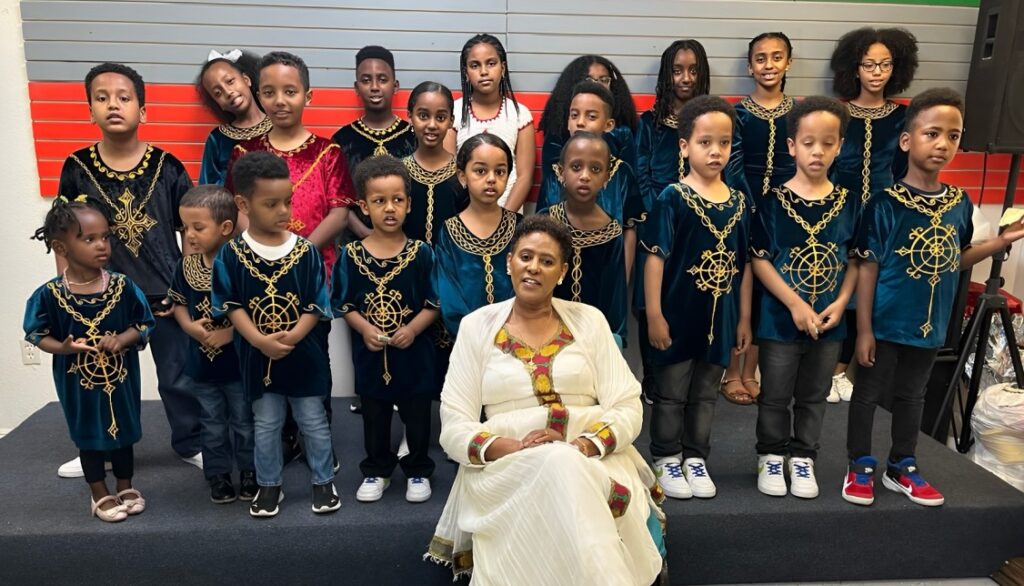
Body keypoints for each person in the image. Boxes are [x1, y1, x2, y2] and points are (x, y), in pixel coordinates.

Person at [426, 215, 664, 585]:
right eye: (525, 256)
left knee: (563, 463)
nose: (534, 267)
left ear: (563, 272)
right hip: (506, 466)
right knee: (558, 464)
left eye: (547, 261)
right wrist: (515, 447)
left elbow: (627, 405)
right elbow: (454, 425)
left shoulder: (590, 321)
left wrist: (580, 447)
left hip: (593, 458)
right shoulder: (476, 327)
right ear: (509, 262)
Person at [843, 88, 1024, 508]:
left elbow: (954, 259)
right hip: (885, 322)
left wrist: (1000, 242)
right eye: (932, 133)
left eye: (953, 136)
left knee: (913, 395)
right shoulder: (884, 204)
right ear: (907, 140)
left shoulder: (959, 203)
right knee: (868, 394)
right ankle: (859, 464)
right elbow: (867, 267)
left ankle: (902, 464)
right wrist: (864, 329)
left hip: (930, 325)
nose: (943, 143)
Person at [56, 62, 202, 477]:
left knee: (177, 376)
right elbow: (63, 234)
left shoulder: (168, 166)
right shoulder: (77, 167)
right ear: (90, 111)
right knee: (104, 376)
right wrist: (69, 291)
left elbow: (192, 234)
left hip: (165, 293)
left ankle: (191, 442)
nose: (113, 105)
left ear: (143, 110)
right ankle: (99, 449)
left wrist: (188, 289)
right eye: (101, 98)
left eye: (124, 97)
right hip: (103, 296)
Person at [212, 151, 340, 518]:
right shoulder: (232, 255)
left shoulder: (306, 252)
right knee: (266, 423)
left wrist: (293, 337)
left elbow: (316, 303)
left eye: (287, 201)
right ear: (243, 204)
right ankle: (269, 485)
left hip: (305, 356)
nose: (284, 211)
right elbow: (230, 304)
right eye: (271, 204)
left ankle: (323, 481)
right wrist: (258, 340)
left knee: (313, 420)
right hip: (257, 356)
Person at [639, 95, 753, 500]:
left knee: (705, 393)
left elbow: (743, 265)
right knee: (671, 392)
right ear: (685, 146)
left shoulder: (739, 202)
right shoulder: (672, 197)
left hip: (720, 319)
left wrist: (743, 318)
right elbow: (655, 258)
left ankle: (695, 456)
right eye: (705, 142)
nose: (715, 151)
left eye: (724, 142)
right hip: (677, 315)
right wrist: (654, 314)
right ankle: (666, 455)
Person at [750, 97, 857, 499]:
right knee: (775, 394)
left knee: (814, 394)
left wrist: (841, 302)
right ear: (792, 146)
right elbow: (760, 259)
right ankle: (770, 454)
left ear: (840, 146)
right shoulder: (772, 201)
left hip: (830, 320)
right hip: (779, 320)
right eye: (809, 143)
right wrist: (794, 303)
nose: (818, 152)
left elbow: (855, 261)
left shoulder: (849, 203)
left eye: (827, 143)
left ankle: (803, 456)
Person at [25, 197, 155, 522]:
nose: (102, 245)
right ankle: (98, 492)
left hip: (121, 378)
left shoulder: (123, 287)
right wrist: (64, 348)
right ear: (61, 247)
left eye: (106, 237)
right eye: (89, 239)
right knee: (88, 434)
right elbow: (37, 334)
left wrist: (122, 339)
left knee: (124, 429)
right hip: (77, 382)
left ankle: (125, 485)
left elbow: (144, 324)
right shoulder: (49, 295)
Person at [332, 156, 439, 504]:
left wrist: (413, 328)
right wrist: (364, 328)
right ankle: (377, 469)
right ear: (364, 207)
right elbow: (343, 303)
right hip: (371, 355)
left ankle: (418, 469)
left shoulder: (422, 253)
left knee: (417, 415)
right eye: (379, 201)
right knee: (374, 415)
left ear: (409, 204)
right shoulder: (351, 255)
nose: (389, 208)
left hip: (414, 354)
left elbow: (434, 302)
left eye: (397, 200)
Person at [827, 27, 918, 402]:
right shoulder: (838, 114)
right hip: (840, 213)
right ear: (855, 68)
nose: (877, 72)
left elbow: (904, 170)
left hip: (885, 215)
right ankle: (829, 367)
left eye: (885, 64)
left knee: (873, 289)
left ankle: (850, 371)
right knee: (838, 285)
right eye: (869, 64)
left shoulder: (903, 118)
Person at [226, 51, 357, 270]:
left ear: (308, 96)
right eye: (269, 92)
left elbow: (340, 214)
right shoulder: (244, 152)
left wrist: (300, 255)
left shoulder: (328, 152)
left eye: (290, 92)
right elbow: (236, 208)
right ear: (259, 97)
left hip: (314, 268)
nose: (279, 101)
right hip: (259, 266)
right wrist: (265, 250)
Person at [722, 32, 797, 405]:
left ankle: (751, 371)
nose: (769, 65)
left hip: (785, 212)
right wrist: (751, 209)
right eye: (761, 58)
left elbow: (801, 162)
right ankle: (730, 370)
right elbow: (732, 163)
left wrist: (784, 209)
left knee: (770, 289)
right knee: (737, 287)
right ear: (750, 67)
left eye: (777, 57)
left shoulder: (798, 113)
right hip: (743, 207)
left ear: (788, 63)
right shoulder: (737, 113)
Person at [168, 185, 256, 504]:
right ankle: (218, 474)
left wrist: (229, 333)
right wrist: (188, 326)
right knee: (212, 422)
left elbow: (256, 310)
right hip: (202, 366)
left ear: (225, 227)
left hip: (239, 364)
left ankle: (250, 471)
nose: (189, 235)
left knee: (245, 421)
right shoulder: (186, 266)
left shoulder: (244, 265)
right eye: (185, 228)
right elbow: (178, 302)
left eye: (198, 227)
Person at [542, 132, 630, 348]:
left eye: (595, 169)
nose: (585, 176)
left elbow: (614, 297)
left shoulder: (611, 233)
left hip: (592, 341)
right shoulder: (546, 222)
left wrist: (613, 342)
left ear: (607, 177)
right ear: (561, 172)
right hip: (545, 334)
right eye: (576, 167)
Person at [432, 134, 521, 337]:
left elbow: (526, 286)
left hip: (515, 340)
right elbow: (449, 296)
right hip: (467, 341)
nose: (491, 179)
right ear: (462, 176)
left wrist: (509, 334)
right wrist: (473, 338)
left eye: (500, 172)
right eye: (480, 171)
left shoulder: (521, 228)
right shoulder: (449, 232)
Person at [536, 81, 646, 240]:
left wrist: (625, 258)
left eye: (591, 116)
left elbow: (629, 227)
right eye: (574, 115)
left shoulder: (621, 172)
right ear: (568, 122)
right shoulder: (555, 173)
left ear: (608, 125)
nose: (580, 122)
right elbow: (541, 227)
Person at [446, 34, 535, 211]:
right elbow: (449, 172)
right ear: (466, 73)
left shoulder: (519, 115)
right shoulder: (453, 112)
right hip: (465, 214)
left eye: (491, 63)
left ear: (503, 68)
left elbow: (525, 177)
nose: (484, 71)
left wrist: (505, 217)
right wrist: (467, 216)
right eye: (475, 65)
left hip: (509, 214)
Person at [538, 54, 639, 191]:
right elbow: (551, 183)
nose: (596, 85)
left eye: (604, 80)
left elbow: (630, 183)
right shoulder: (558, 132)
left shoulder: (621, 133)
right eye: (589, 79)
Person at [636, 39, 710, 206]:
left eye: (694, 71)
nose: (686, 78)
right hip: (658, 207)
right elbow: (641, 175)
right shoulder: (650, 122)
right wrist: (655, 210)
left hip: (701, 209)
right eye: (677, 71)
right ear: (666, 75)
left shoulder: (711, 121)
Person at [402, 81, 467, 245]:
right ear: (410, 117)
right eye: (423, 116)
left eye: (440, 118)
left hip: (451, 260)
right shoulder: (398, 172)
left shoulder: (463, 174)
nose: (432, 125)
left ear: (451, 121)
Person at [332, 46, 417, 171]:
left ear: (395, 86)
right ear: (357, 88)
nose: (375, 87)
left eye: (382, 80)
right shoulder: (342, 139)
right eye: (366, 80)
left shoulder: (413, 136)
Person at [196, 49, 270, 186]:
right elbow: (206, 190)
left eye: (230, 81)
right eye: (218, 93)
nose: (228, 92)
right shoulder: (217, 139)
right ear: (218, 104)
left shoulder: (280, 127)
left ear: (246, 80)